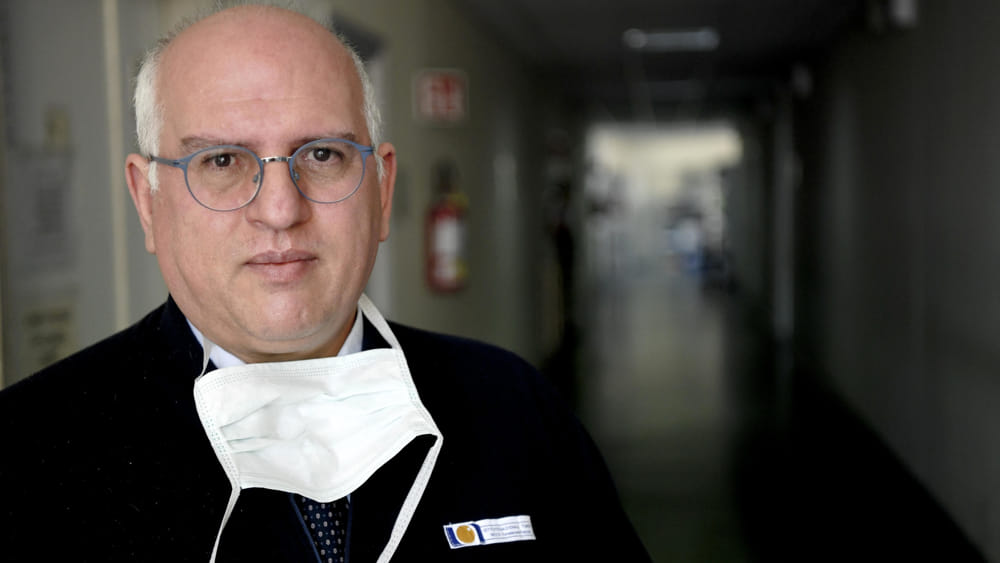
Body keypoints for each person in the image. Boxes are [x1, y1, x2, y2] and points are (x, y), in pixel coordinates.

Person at [0, 5, 649, 562]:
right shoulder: (28, 451)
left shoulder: (511, 407)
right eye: (221, 160)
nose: (280, 209)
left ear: (382, 190)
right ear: (148, 200)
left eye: (322, 155)